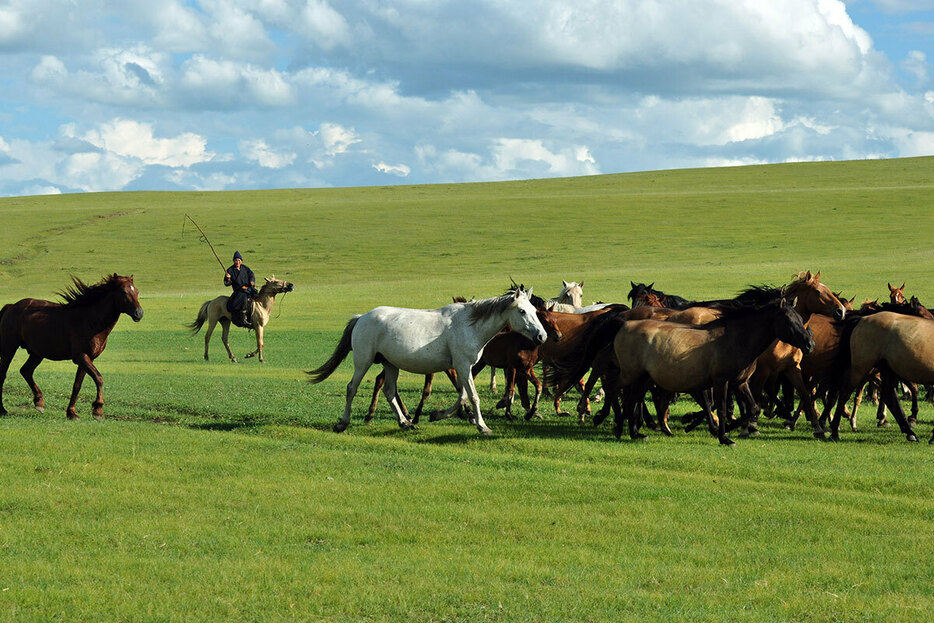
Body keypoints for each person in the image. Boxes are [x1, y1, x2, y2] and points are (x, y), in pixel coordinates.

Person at [224, 251, 256, 328]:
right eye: (236, 260)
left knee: (256, 295)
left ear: (241, 261)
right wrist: (228, 278)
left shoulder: (245, 268)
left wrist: (252, 281)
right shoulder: (230, 270)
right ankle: (242, 318)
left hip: (248, 287)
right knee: (242, 299)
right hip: (238, 290)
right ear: (233, 261)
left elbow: (251, 274)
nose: (237, 262)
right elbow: (227, 283)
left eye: (239, 260)